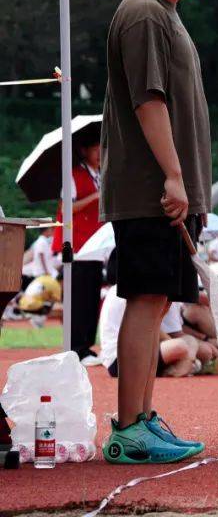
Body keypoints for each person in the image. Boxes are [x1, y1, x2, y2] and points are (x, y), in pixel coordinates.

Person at [98, 0, 215, 463]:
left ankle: (144, 416)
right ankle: (127, 428)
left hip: (171, 190)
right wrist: (173, 176)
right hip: (149, 192)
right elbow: (149, 101)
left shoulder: (167, 11)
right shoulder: (143, 12)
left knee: (157, 299)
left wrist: (191, 183)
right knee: (144, 300)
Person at [52, 134, 105, 361]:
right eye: (97, 149)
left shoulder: (101, 176)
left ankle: (86, 346)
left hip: (95, 245)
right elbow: (66, 209)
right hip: (75, 245)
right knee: (79, 299)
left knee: (92, 297)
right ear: (84, 151)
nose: (101, 154)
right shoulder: (72, 175)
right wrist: (96, 196)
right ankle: (76, 348)